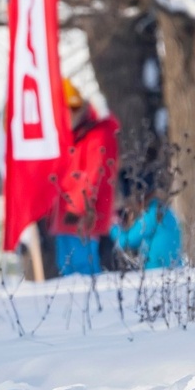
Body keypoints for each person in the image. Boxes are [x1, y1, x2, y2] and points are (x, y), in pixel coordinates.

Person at [49, 78, 120, 275]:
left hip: (81, 217)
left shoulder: (97, 134)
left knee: (82, 269)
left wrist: (77, 209)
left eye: (72, 109)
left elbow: (94, 175)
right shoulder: (73, 135)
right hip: (65, 216)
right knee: (67, 268)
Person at [110, 177, 183, 270]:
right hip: (174, 268)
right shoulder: (164, 210)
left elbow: (126, 242)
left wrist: (112, 225)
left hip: (159, 271)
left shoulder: (152, 214)